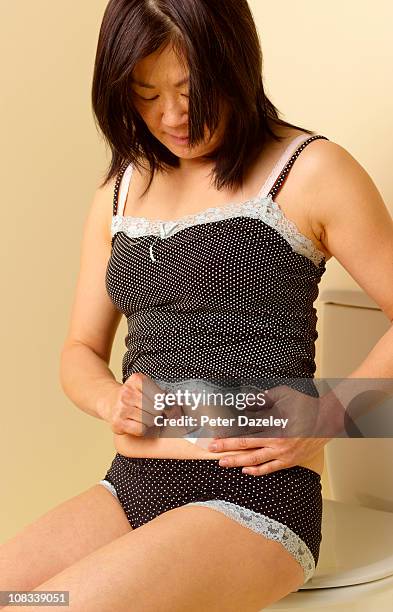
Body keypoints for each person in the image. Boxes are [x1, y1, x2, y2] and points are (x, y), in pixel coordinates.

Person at [1, 1, 393, 610]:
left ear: (235, 64)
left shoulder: (310, 170)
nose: (173, 116)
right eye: (146, 93)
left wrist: (327, 418)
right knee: (18, 599)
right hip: (130, 485)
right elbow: (78, 350)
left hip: (255, 496)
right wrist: (112, 400)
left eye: (192, 89)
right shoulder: (121, 187)